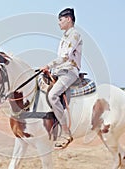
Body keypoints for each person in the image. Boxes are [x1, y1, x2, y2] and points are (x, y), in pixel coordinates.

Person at [40, 8, 82, 149]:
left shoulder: (74, 35)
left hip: (69, 71)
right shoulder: (65, 36)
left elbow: (65, 57)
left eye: (60, 19)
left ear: (68, 19)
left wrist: (48, 65)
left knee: (52, 95)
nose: (59, 23)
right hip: (59, 71)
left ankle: (66, 132)